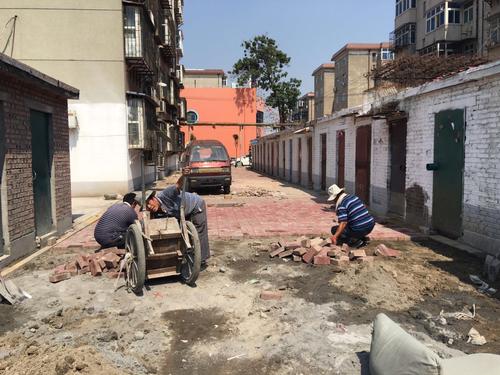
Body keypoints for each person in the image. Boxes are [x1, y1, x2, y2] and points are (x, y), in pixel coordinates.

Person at [146, 179, 210, 265]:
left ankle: (201, 259)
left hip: (195, 204)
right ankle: (186, 253)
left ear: (153, 198)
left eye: (149, 203)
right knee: (181, 231)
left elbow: (178, 185)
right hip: (180, 212)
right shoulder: (155, 211)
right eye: (146, 206)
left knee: (198, 231)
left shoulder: (165, 194)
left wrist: (183, 174)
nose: (149, 207)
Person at [328, 184, 375, 248]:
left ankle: (354, 242)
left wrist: (335, 236)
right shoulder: (353, 197)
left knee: (334, 229)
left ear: (336, 197)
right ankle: (361, 238)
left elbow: (343, 222)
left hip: (359, 228)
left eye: (333, 199)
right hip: (370, 225)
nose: (333, 201)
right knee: (351, 225)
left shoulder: (341, 204)